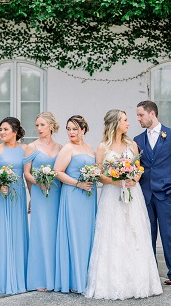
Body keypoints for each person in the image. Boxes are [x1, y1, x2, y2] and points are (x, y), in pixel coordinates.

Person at [85, 110, 163, 300]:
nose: (128, 123)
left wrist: (134, 178)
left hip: (132, 194)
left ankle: (138, 282)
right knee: (114, 235)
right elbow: (99, 175)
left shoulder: (132, 144)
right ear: (115, 123)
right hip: (112, 196)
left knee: (135, 233)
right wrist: (117, 181)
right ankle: (113, 283)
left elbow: (139, 168)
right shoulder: (103, 147)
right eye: (125, 120)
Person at [133, 100, 171, 294]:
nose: (138, 119)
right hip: (145, 195)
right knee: (147, 237)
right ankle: (149, 277)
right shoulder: (138, 140)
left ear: (152, 114)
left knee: (168, 236)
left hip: (167, 195)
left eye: (141, 115)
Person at [0, 117, 28, 294]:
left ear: (15, 132)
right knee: (0, 233)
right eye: (0, 129)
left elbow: (27, 174)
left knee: (17, 233)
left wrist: (32, 197)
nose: (1, 132)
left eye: (5, 129)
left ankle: (19, 277)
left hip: (18, 195)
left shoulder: (25, 149)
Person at [54, 115, 97, 294]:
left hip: (89, 196)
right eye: (68, 129)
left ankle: (88, 278)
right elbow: (57, 171)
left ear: (83, 130)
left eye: (75, 129)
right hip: (73, 195)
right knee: (75, 234)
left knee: (88, 235)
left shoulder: (90, 149)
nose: (71, 132)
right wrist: (78, 183)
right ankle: (74, 280)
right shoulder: (67, 148)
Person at [23, 112, 62, 292]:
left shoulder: (61, 148)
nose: (39, 129)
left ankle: (56, 276)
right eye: (37, 125)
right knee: (41, 232)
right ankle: (40, 278)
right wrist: (37, 185)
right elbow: (27, 173)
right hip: (40, 193)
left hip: (56, 193)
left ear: (51, 126)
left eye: (42, 125)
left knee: (56, 232)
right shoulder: (31, 147)